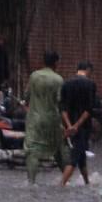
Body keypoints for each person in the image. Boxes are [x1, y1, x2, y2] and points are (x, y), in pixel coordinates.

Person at [24, 52, 67, 184]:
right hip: (52, 119)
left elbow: (26, 96)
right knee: (58, 148)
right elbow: (60, 102)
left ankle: (31, 181)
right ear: (55, 63)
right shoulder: (58, 80)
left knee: (32, 150)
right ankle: (66, 178)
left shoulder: (34, 76)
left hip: (34, 119)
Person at [59, 62, 98, 186]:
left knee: (81, 156)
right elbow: (88, 109)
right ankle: (61, 185)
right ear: (88, 70)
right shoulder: (90, 84)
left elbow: (62, 108)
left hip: (70, 125)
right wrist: (77, 126)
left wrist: (69, 125)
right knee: (75, 157)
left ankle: (87, 182)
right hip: (83, 127)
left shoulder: (66, 83)